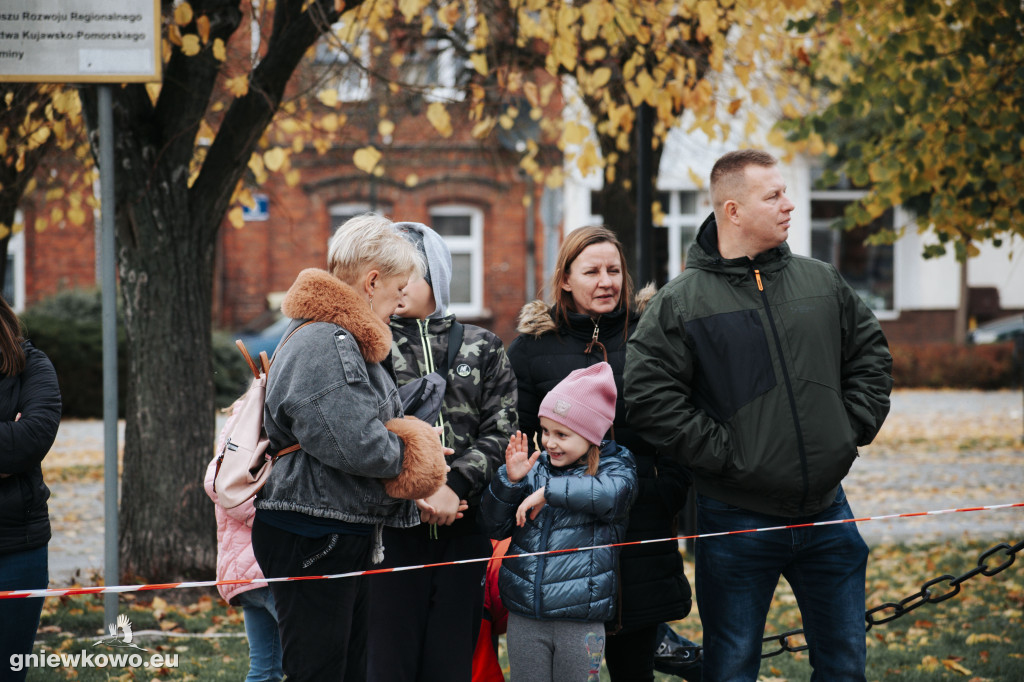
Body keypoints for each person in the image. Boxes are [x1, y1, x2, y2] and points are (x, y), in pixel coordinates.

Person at [624, 149, 893, 681]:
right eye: (773, 195)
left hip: (828, 511)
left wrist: (847, 430)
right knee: (731, 669)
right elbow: (649, 396)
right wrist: (728, 457)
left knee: (845, 666)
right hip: (736, 519)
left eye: (785, 191)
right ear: (733, 210)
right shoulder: (680, 302)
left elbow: (871, 355)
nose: (789, 204)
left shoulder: (821, 281)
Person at [251, 213, 449, 681]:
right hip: (315, 529)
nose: (401, 301)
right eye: (398, 287)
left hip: (326, 524)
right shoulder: (328, 339)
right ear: (372, 281)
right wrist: (416, 452)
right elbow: (354, 441)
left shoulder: (331, 333)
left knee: (342, 668)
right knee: (321, 670)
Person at [506, 225, 695, 681]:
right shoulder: (533, 348)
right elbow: (518, 436)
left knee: (634, 666)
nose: (606, 281)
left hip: (641, 523)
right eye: (592, 271)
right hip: (562, 538)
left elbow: (679, 421)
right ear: (566, 279)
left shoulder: (652, 334)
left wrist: (664, 490)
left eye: (614, 270)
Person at [366, 222, 518, 682]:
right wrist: (415, 489)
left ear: (436, 276)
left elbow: (502, 428)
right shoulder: (369, 346)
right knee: (388, 662)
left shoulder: (483, 346)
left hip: (464, 532)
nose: (397, 285)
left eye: (407, 273)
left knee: (451, 662)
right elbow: (364, 431)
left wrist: (454, 487)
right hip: (392, 534)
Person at [481, 362, 638, 682]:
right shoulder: (535, 468)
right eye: (545, 431)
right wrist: (509, 482)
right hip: (525, 615)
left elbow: (610, 496)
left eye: (562, 434)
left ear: (591, 434)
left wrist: (549, 492)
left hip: (579, 621)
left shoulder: (616, 468)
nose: (549, 442)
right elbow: (494, 527)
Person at [0, 295, 62, 681]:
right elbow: (14, 445)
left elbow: (30, 440)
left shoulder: (31, 365)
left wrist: (16, 447)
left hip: (16, 550)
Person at [205, 399, 283, 682]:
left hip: (247, 574)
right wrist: (277, 521)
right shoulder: (258, 420)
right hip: (265, 572)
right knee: (314, 660)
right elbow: (223, 488)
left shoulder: (242, 418)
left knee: (265, 669)